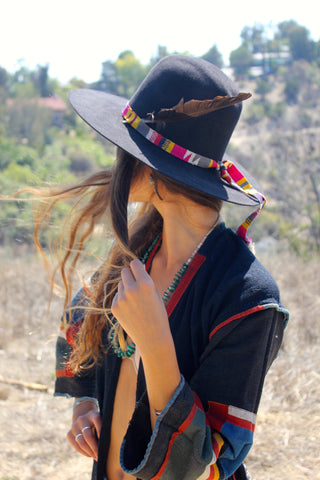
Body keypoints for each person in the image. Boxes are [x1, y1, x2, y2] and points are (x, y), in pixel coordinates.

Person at [52, 55, 288, 480]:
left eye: (126, 148)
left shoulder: (248, 297)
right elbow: (78, 319)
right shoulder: (135, 251)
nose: (116, 160)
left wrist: (156, 343)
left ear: (153, 167)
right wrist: (84, 402)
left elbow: (205, 462)